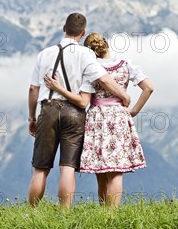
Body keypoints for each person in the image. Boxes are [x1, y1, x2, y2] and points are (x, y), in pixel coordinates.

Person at [27, 14, 131, 208]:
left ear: (63, 28)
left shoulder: (44, 54)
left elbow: (33, 89)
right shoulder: (86, 55)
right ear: (82, 33)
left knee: (40, 169)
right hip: (74, 113)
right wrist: (124, 96)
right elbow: (105, 80)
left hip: (47, 110)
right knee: (67, 167)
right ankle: (65, 214)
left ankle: (30, 213)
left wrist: (31, 117)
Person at [45, 32, 154, 208]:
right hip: (119, 116)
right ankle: (112, 215)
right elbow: (148, 88)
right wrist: (133, 111)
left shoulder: (91, 68)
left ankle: (104, 211)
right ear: (106, 44)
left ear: (90, 51)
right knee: (116, 171)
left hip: (97, 117)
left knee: (101, 171)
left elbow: (82, 98)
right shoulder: (125, 65)